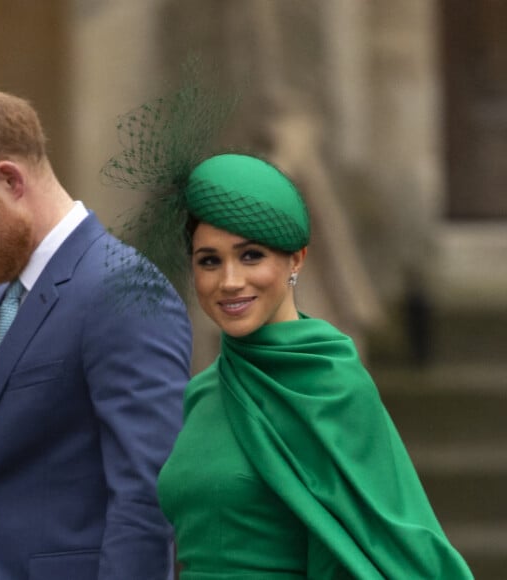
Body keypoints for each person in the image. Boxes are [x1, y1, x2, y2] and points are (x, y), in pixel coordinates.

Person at [152, 153, 474, 578]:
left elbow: (383, 550)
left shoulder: (332, 386)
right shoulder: (205, 390)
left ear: (296, 260)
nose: (229, 280)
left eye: (251, 256)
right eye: (209, 260)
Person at [0, 85, 192, 580]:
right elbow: (25, 471)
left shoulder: (124, 287)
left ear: (9, 179)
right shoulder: (3, 297)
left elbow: (146, 497)